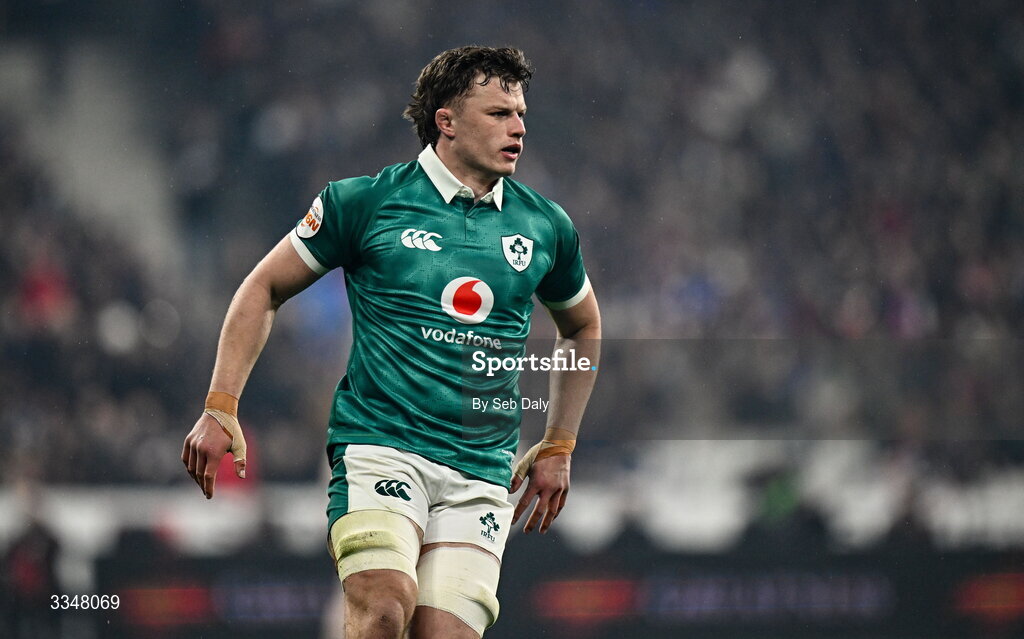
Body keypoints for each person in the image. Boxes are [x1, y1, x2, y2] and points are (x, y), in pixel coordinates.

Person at [182, 45, 600, 638]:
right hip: (380, 447)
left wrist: (559, 442)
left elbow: (582, 325)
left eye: (521, 114)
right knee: (384, 605)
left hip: (482, 472)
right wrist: (221, 404)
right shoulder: (363, 202)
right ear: (446, 121)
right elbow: (264, 287)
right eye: (499, 113)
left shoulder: (545, 226)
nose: (519, 128)